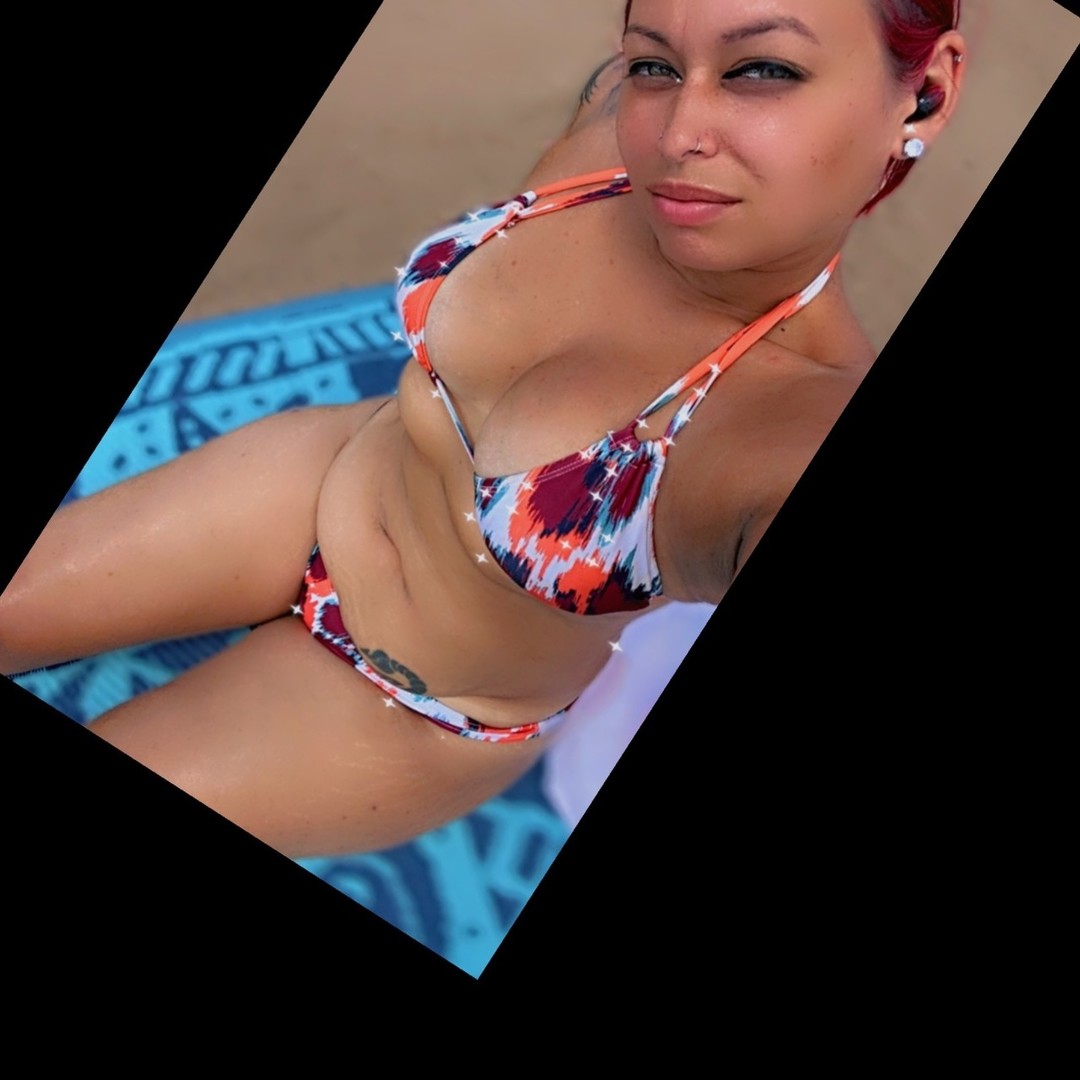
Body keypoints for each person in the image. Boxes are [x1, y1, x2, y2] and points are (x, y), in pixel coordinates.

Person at [0, 0, 966, 857]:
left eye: (765, 69)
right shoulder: (617, 135)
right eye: (655, 61)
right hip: (320, 476)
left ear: (923, 93)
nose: (678, 133)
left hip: (404, 705)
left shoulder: (790, 429)